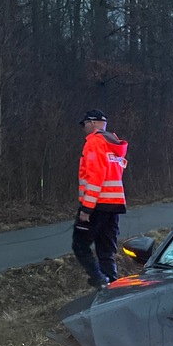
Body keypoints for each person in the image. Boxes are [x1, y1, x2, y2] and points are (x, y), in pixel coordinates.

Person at [72, 109, 128, 289]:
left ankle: (99, 279)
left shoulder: (94, 143)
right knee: (106, 249)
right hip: (114, 205)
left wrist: (86, 208)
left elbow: (96, 176)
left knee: (80, 245)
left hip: (97, 205)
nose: (83, 128)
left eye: (85, 124)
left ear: (93, 123)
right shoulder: (114, 144)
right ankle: (111, 285)